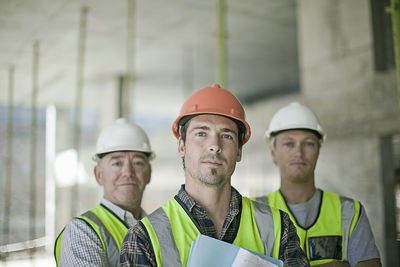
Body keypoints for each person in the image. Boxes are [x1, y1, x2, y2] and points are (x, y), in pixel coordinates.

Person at [120, 84, 309, 267]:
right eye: (201, 133)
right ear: (182, 146)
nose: (215, 145)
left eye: (227, 136)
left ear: (239, 151)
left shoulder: (277, 226)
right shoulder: (144, 238)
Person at [255, 102, 382, 267]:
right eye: (289, 144)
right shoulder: (255, 212)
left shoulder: (349, 212)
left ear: (318, 150)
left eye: (308, 143)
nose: (298, 152)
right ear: (273, 152)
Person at [54, 118, 155, 267]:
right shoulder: (82, 232)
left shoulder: (159, 229)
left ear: (149, 174)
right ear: (98, 175)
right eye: (117, 163)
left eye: (137, 163)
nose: (128, 172)